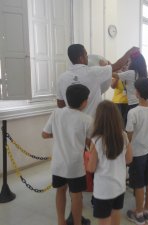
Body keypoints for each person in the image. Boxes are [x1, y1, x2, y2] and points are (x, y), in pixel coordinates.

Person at [42, 84, 93, 225]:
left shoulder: (56, 113)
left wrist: (59, 134)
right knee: (76, 196)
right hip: (75, 166)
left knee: (60, 191)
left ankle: (60, 221)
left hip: (58, 164)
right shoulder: (87, 119)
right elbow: (91, 141)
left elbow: (44, 134)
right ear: (84, 102)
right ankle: (77, 223)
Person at [56, 44, 138, 117]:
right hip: (93, 123)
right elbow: (118, 65)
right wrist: (130, 51)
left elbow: (60, 105)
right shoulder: (93, 72)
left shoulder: (61, 78)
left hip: (72, 124)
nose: (87, 57)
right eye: (86, 54)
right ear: (81, 58)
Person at [87, 100, 133, 225]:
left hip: (103, 190)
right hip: (119, 186)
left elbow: (91, 168)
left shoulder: (96, 140)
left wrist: (87, 159)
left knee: (104, 220)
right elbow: (129, 159)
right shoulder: (123, 136)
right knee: (116, 215)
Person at [126, 78, 148, 225]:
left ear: (137, 92)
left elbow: (129, 135)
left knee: (138, 185)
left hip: (137, 154)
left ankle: (138, 214)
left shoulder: (133, 112)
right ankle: (147, 211)